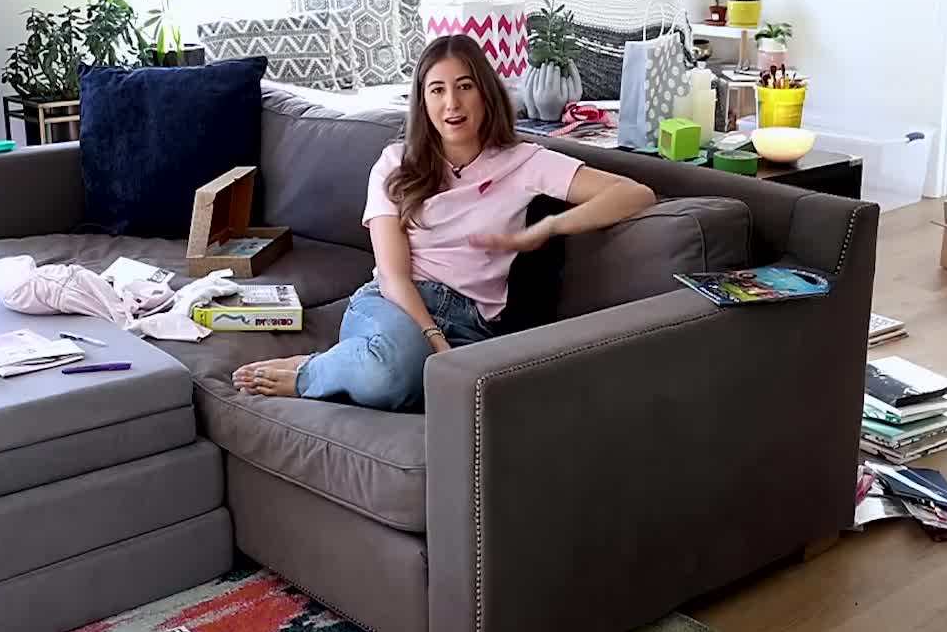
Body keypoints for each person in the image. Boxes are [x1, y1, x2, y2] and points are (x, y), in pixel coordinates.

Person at [233, 34, 656, 410]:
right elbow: (394, 277)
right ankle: (313, 373)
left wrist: (546, 229)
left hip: (475, 324)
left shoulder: (526, 162)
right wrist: (435, 341)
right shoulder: (395, 164)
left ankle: (353, 363)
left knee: (462, 393)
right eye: (437, 90)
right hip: (395, 305)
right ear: (423, 101)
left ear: (486, 94)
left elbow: (635, 194)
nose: (452, 103)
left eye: (464, 86)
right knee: (394, 373)